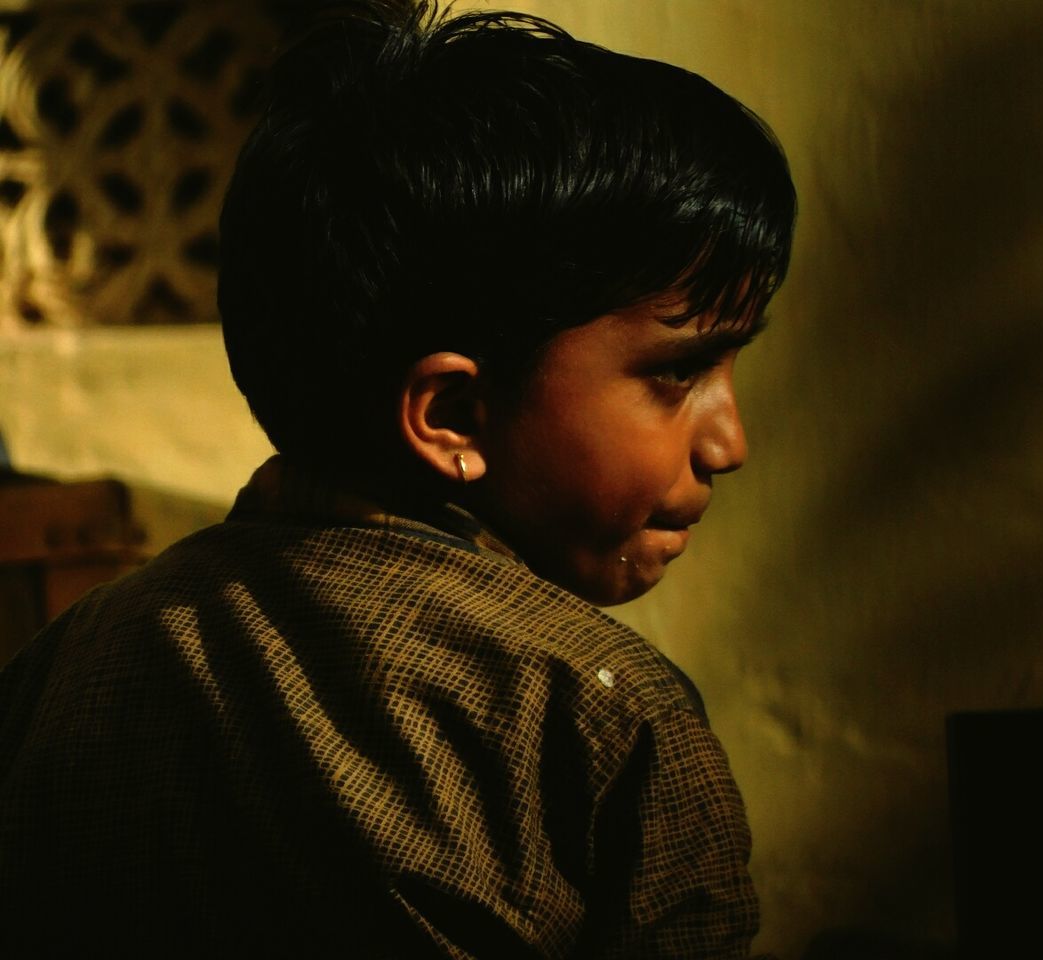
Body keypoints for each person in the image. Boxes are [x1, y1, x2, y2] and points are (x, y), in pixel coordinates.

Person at [0, 1, 796, 955]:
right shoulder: (602, 719)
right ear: (452, 418)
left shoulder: (70, 663)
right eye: (679, 372)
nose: (729, 441)